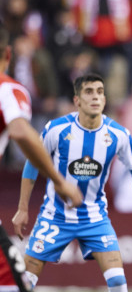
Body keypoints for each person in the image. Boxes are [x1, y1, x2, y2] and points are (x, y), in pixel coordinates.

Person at [11, 73, 132, 292]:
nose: (95, 97)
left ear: (105, 99)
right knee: (24, 282)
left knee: (118, 282)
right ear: (77, 101)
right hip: (55, 217)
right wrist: (22, 209)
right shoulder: (57, 129)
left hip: (94, 218)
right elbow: (32, 164)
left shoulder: (118, 134)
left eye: (100, 92)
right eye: (89, 92)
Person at [0, 25, 83, 292]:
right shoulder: (8, 89)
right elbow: (21, 130)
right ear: (9, 54)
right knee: (13, 284)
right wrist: (59, 180)